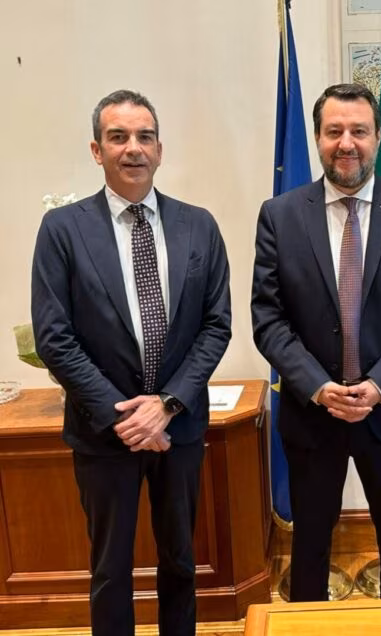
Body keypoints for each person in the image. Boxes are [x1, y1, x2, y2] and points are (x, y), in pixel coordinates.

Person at [31, 90, 231, 635]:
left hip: (178, 429)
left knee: (181, 562)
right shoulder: (63, 230)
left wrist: (166, 406)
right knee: (110, 570)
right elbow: (54, 338)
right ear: (97, 151)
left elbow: (216, 326)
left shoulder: (199, 226)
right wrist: (125, 417)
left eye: (144, 136)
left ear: (160, 149)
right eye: (118, 137)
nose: (133, 148)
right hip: (104, 433)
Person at [251, 83, 381, 601]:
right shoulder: (280, 215)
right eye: (334, 131)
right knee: (310, 550)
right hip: (312, 414)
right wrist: (319, 386)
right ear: (318, 138)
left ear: (378, 136)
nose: (346, 143)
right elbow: (268, 318)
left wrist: (379, 384)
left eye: (359, 130)